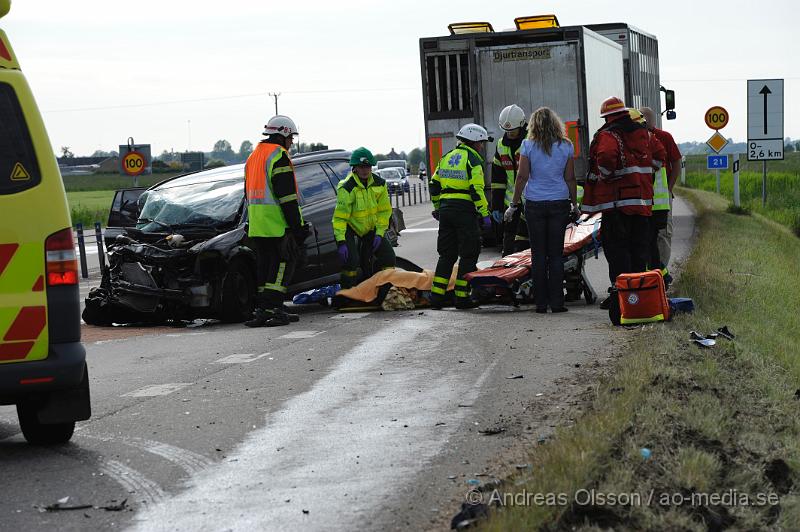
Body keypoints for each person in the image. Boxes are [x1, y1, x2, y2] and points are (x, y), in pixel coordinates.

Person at [580, 97, 657, 309]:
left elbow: (605, 159)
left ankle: (621, 298)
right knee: (638, 252)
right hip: (641, 206)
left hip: (617, 206)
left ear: (608, 117)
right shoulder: (645, 133)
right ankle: (639, 297)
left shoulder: (609, 135)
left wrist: (606, 174)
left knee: (617, 253)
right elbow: (659, 157)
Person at [505, 107, 577, 313]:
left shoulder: (527, 145)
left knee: (538, 255)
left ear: (532, 125)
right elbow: (570, 178)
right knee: (555, 255)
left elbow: (522, 177)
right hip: (559, 203)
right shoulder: (566, 146)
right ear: (556, 124)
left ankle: (540, 303)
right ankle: (557, 303)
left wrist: (514, 204)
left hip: (535, 204)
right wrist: (575, 204)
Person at [244, 115, 308, 327]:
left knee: (265, 269)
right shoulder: (278, 156)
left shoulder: (254, 157)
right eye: (291, 139)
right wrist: (297, 228)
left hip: (257, 225)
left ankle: (264, 308)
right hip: (278, 225)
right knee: (281, 268)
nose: (291, 143)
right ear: (284, 134)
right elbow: (287, 198)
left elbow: (248, 194)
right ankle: (272, 310)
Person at [429, 124, 492, 309]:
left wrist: (438, 207)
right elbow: (476, 189)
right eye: (480, 143)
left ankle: (436, 298)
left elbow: (434, 185)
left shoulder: (446, 157)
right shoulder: (473, 159)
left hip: (446, 211)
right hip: (464, 211)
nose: (481, 146)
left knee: (446, 255)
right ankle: (461, 298)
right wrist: (484, 213)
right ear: (473, 142)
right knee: (469, 253)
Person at [332, 147, 396, 288]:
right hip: (351, 227)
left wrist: (379, 234)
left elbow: (384, 212)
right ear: (354, 168)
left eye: (368, 166)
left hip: (371, 228)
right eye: (361, 167)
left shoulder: (380, 184)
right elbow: (340, 219)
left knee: (388, 256)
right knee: (351, 260)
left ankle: (386, 289)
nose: (365, 170)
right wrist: (341, 242)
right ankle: (348, 293)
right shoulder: (347, 187)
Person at [641, 106, 682, 285]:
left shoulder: (664, 137)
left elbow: (677, 163)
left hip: (661, 199)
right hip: (642, 199)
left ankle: (660, 272)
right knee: (646, 236)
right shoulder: (634, 138)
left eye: (647, 123)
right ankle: (652, 273)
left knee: (663, 235)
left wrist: (669, 189)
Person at [491, 104, 529, 256]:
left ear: (521, 125)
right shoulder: (501, 145)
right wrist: (497, 206)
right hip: (511, 204)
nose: (510, 134)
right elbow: (497, 180)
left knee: (527, 243)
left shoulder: (530, 141)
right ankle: (510, 277)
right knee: (509, 244)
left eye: (513, 131)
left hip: (532, 200)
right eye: (507, 131)